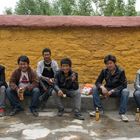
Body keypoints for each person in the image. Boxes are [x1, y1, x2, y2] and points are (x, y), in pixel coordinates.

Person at [90, 55, 129, 122]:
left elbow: (124, 85)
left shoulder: (121, 71)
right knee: (94, 89)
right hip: (107, 90)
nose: (109, 65)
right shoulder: (104, 71)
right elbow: (98, 82)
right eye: (107, 64)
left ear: (114, 63)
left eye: (111, 63)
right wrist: (102, 87)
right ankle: (99, 110)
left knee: (125, 91)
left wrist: (113, 91)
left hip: (117, 90)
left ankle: (122, 113)